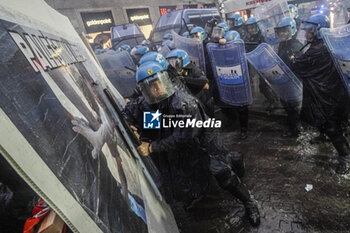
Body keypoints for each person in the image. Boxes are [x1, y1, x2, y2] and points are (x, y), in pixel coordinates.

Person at [125, 61, 260, 228]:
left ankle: (249, 202)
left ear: (167, 79)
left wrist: (152, 147)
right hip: (180, 145)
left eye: (159, 82)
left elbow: (183, 137)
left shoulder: (183, 103)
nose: (157, 89)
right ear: (144, 90)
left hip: (202, 143)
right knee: (185, 175)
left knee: (223, 174)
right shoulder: (147, 104)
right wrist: (133, 127)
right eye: (151, 86)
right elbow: (129, 111)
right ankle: (198, 193)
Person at [292, 14, 350, 174]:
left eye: (310, 31)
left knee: (332, 127)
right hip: (321, 92)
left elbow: (298, 66)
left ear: (318, 31)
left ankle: (345, 156)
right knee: (321, 120)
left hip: (328, 95)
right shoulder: (321, 44)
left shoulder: (319, 49)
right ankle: (323, 135)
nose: (307, 34)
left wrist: (293, 59)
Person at [275, 17, 303, 137]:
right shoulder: (282, 43)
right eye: (280, 31)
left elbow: (297, 65)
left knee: (293, 106)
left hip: (293, 81)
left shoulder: (295, 45)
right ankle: (293, 125)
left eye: (285, 30)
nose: (282, 33)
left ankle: (295, 130)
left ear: (291, 30)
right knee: (287, 104)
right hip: (283, 80)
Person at [166, 49, 214, 117]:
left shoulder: (193, 69)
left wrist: (185, 80)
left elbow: (204, 81)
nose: (173, 65)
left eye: (174, 62)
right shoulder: (175, 74)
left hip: (203, 100)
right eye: (170, 62)